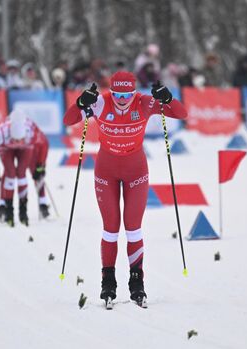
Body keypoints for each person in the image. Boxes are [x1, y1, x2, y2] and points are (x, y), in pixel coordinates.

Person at [63, 71, 187, 306]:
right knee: (110, 228)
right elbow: (69, 120)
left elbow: (182, 114)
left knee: (133, 227)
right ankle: (107, 281)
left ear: (134, 91)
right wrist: (81, 102)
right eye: (117, 93)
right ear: (112, 91)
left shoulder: (144, 102)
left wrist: (168, 98)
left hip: (136, 172)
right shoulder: (100, 103)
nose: (121, 99)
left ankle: (136, 281)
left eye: (127, 94)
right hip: (106, 172)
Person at [0, 109, 36, 227]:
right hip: (6, 148)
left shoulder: (30, 133)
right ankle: (8, 211)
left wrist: (36, 168)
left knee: (21, 173)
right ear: (11, 134)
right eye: (15, 139)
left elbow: (37, 150)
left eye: (20, 139)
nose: (18, 142)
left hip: (24, 149)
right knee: (10, 173)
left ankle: (23, 211)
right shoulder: (1, 134)